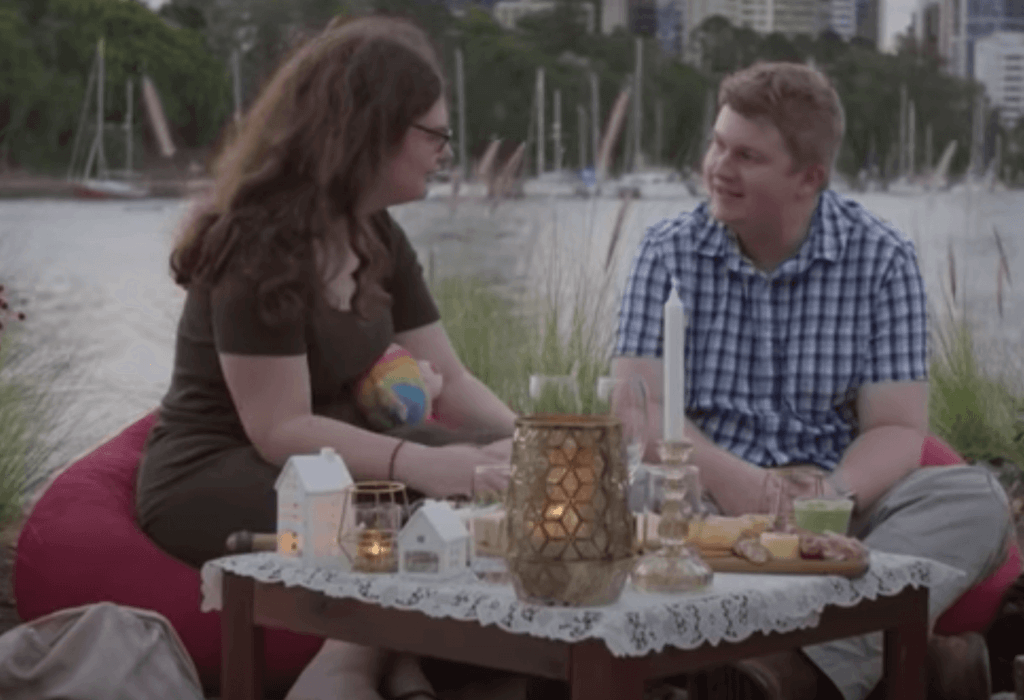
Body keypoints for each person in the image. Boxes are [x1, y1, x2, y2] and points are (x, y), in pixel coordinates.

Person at [135, 15, 515, 700]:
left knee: (504, 474)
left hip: (335, 457)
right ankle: (346, 666)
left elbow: (451, 379)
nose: (445, 152)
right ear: (371, 133)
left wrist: (534, 446)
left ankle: (399, 664)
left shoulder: (377, 232)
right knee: (414, 512)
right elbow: (279, 428)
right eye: (434, 134)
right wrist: (432, 464)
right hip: (220, 467)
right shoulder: (259, 241)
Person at [612, 61, 1012, 700]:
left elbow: (897, 430)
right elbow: (638, 408)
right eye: (718, 143)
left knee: (975, 503)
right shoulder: (667, 250)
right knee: (629, 493)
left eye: (746, 155)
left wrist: (829, 496)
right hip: (705, 497)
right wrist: (730, 476)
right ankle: (840, 663)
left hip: (838, 512)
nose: (719, 165)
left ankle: (786, 673)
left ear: (809, 178)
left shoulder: (881, 257)